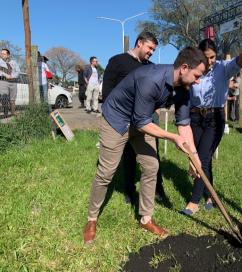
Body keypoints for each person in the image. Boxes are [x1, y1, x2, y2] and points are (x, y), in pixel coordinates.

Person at [83, 46, 207, 244]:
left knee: (151, 166)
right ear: (184, 68)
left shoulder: (184, 89)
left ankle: (146, 218)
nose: (198, 81)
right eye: (197, 75)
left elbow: (184, 124)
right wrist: (172, 137)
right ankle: (91, 219)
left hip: (141, 121)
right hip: (116, 120)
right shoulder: (151, 79)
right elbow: (142, 122)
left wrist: (194, 157)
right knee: (106, 172)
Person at [181, 38, 242, 215]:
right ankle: (210, 195)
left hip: (214, 118)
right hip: (195, 117)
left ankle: (194, 201)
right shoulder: (195, 68)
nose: (209, 61)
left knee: (201, 159)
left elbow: (239, 60)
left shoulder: (223, 68)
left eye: (212, 57)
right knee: (205, 158)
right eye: (205, 57)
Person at [101, 31, 165, 204]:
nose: (151, 52)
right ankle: (129, 191)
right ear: (139, 43)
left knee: (153, 156)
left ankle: (159, 189)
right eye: (150, 48)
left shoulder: (150, 66)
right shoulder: (117, 61)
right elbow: (107, 93)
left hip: (146, 119)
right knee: (128, 156)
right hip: (123, 120)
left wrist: (155, 110)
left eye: (153, 49)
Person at [0, 48, 20, 117]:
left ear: (8, 55)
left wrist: (12, 76)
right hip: (3, 81)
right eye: (1, 53)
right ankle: (5, 114)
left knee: (13, 99)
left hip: (13, 82)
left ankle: (13, 113)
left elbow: (18, 71)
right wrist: (5, 75)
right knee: (4, 98)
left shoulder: (14, 62)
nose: (1, 55)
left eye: (3, 54)